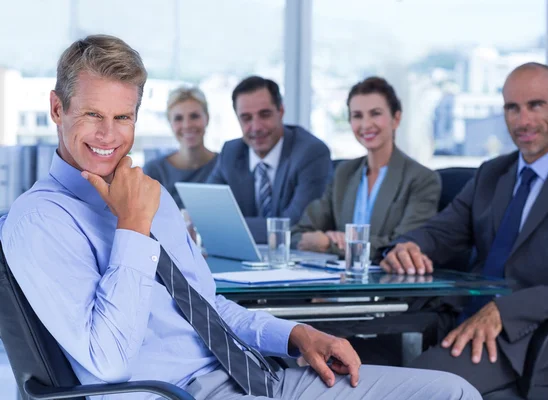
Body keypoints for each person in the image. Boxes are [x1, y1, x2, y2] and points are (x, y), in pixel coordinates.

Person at [0, 35, 481, 400]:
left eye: (123, 118)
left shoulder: (151, 196)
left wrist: (292, 334)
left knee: (453, 393)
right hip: (177, 392)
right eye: (92, 115)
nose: (109, 134)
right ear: (57, 109)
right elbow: (107, 364)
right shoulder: (37, 221)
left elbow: (207, 307)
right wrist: (131, 228)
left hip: (255, 374)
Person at [380, 62, 548, 394]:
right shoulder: (491, 174)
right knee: (352, 355)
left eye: (535, 105)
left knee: (413, 386)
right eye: (512, 108)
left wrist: (504, 310)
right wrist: (409, 246)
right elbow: (441, 232)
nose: (522, 120)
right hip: (456, 317)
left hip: (524, 336)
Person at [291, 77, 440, 259]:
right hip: (338, 281)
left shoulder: (421, 179)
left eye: (375, 113)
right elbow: (298, 234)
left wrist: (331, 244)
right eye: (357, 116)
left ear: (396, 119)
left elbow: (402, 246)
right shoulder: (344, 173)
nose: (366, 124)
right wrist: (320, 239)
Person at [207, 76, 332, 244]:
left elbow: (294, 226)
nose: (256, 127)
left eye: (264, 115)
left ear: (281, 111)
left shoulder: (310, 153)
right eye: (246, 118)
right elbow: (206, 215)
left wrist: (226, 227)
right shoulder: (231, 152)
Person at [143, 86, 218, 209]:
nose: (187, 125)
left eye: (194, 116)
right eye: (178, 118)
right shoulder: (154, 171)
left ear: (207, 118)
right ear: (170, 123)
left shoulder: (225, 165)